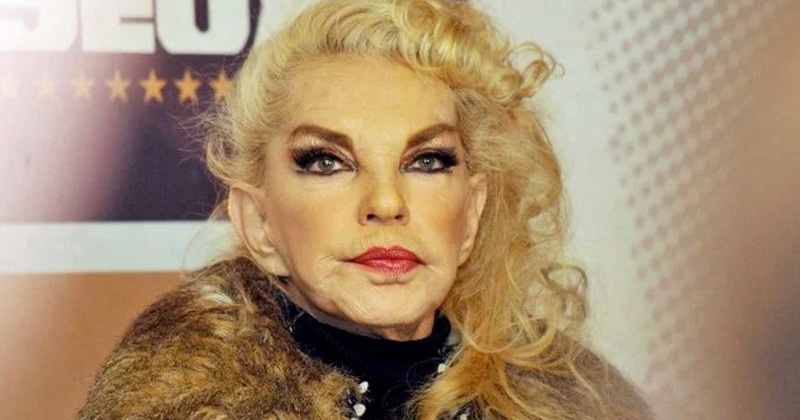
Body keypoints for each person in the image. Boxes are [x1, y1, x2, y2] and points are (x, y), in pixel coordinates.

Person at [77, 0, 654, 419]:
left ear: (472, 214)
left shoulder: (578, 398)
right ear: (259, 224)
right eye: (327, 161)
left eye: (427, 160)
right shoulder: (180, 398)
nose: (386, 202)